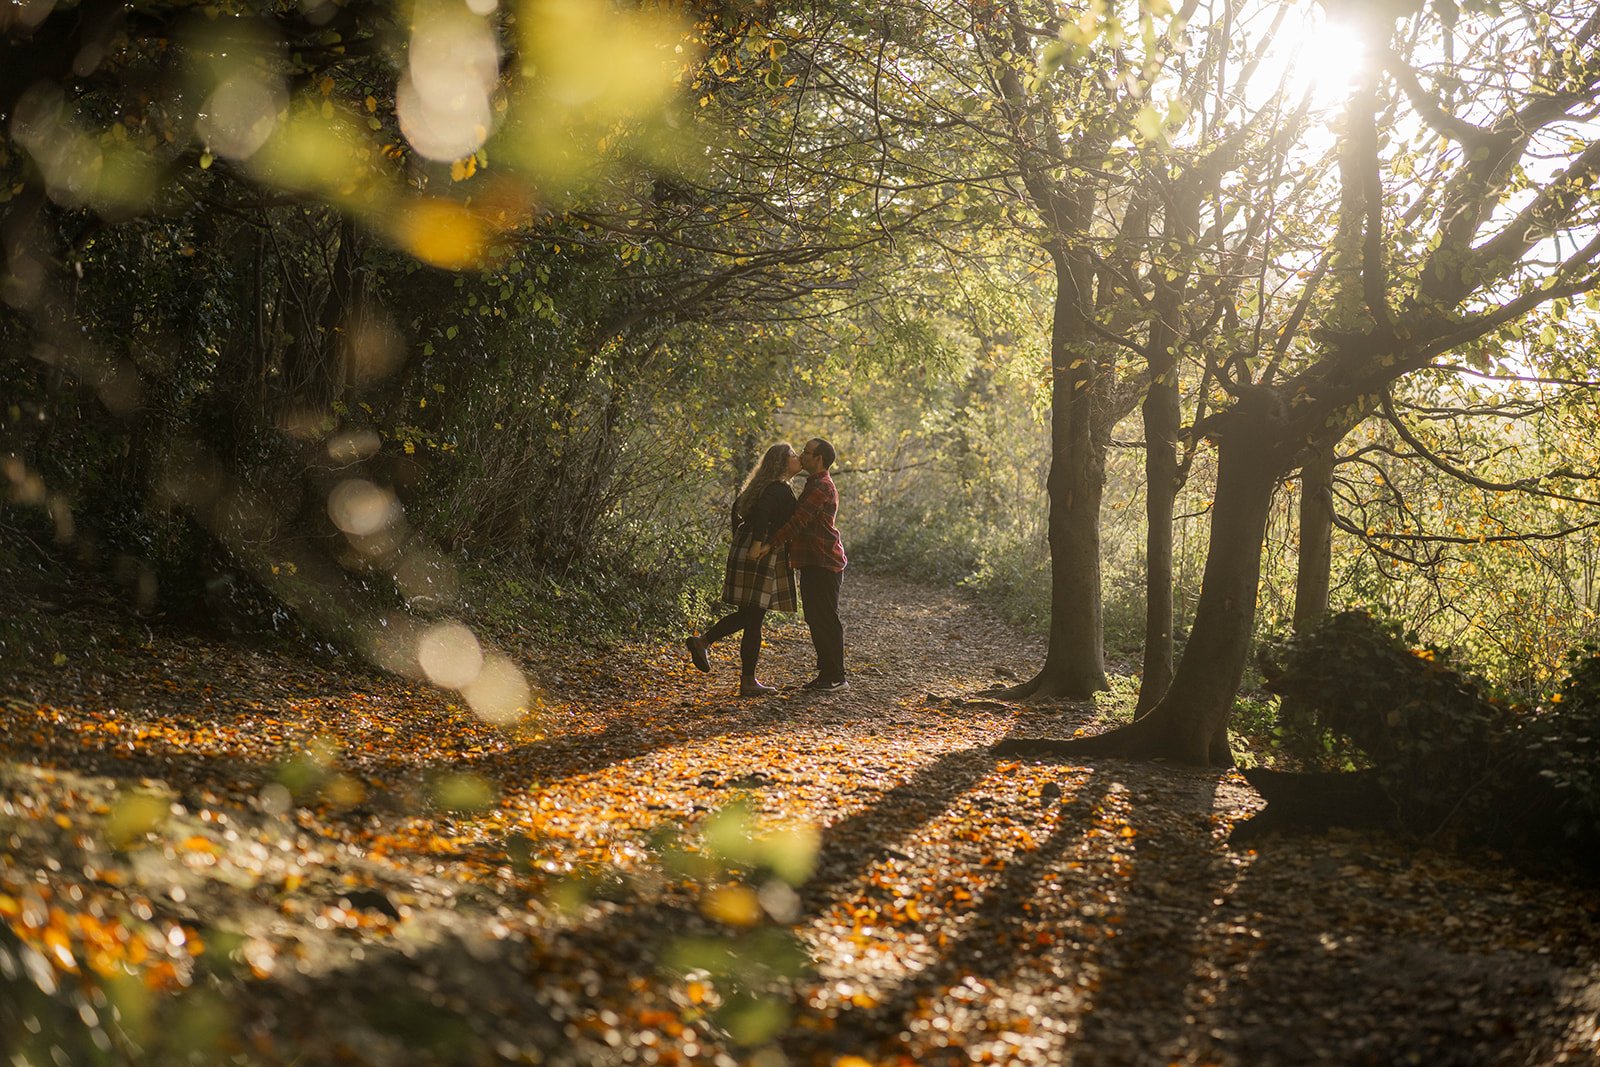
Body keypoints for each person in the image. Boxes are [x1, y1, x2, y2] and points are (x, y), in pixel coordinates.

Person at [685, 443, 802, 697]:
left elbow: (737, 507)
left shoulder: (764, 486)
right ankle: (743, 677)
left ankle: (707, 645)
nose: (798, 457)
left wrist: (742, 538)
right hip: (760, 550)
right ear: (782, 462)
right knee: (754, 616)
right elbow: (761, 512)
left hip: (749, 546)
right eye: (793, 455)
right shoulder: (778, 488)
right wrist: (758, 543)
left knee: (749, 614)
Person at [759, 437, 847, 691]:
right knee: (815, 617)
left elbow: (799, 521)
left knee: (826, 618)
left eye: (807, 453)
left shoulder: (821, 487)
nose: (802, 455)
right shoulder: (813, 483)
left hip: (823, 561)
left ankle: (836, 676)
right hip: (813, 561)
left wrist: (769, 544)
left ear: (819, 459)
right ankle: (827, 673)